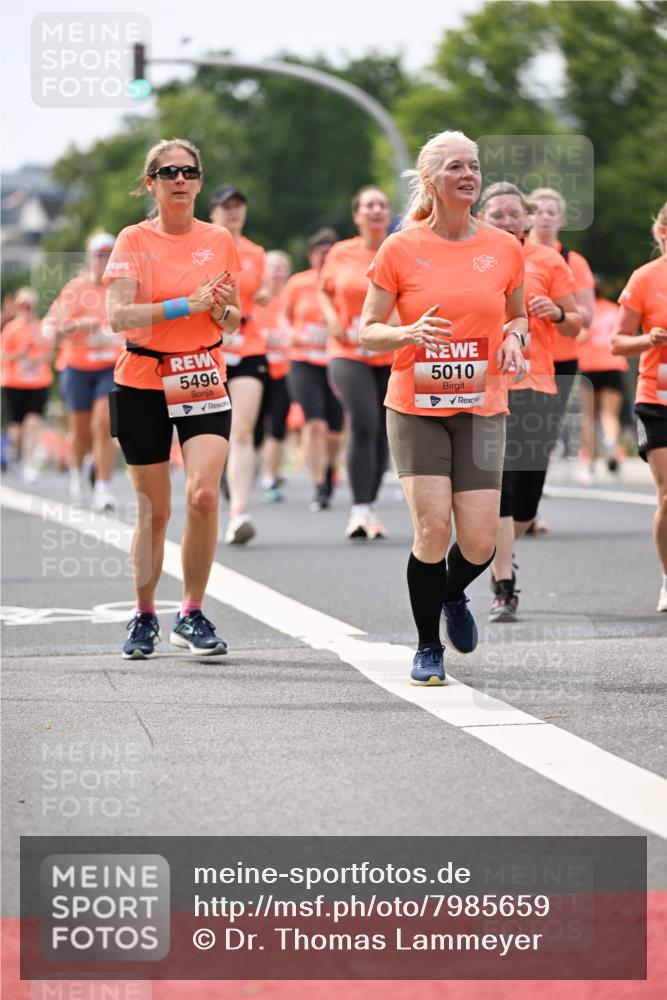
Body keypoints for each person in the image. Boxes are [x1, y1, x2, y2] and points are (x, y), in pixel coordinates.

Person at [359, 130, 528, 684]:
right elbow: (368, 332)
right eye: (456, 166)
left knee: (479, 540)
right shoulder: (400, 247)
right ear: (431, 179)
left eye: (474, 166)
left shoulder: (504, 247)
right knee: (432, 530)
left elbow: (518, 315)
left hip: (482, 404)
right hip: (415, 405)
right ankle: (427, 645)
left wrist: (513, 339)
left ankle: (452, 592)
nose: (469, 175)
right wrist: (407, 332)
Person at [104, 138, 241, 658]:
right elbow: (120, 317)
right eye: (168, 172)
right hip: (142, 379)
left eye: (189, 171)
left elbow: (233, 318)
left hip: (201, 373)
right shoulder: (133, 239)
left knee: (204, 495)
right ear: (151, 184)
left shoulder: (219, 239)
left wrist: (222, 311)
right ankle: (143, 616)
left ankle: (191, 611)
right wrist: (188, 304)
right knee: (153, 511)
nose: (180, 179)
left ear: (200, 181)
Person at [477, 183, 581, 621]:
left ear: (528, 218)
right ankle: (504, 584)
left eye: (513, 214)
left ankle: (500, 549)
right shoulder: (472, 257)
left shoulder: (548, 260)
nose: (505, 222)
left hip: (536, 383)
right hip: (485, 386)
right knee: (499, 488)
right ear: (483, 217)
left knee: (527, 501)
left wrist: (556, 314)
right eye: (496, 214)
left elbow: (575, 325)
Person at [321, 187, 395, 538]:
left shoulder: (401, 248)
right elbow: (323, 289)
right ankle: (358, 509)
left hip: (391, 351)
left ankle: (371, 505)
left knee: (383, 430)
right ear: (357, 215)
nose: (376, 210)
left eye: (382, 205)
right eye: (369, 205)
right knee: (364, 422)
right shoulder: (341, 252)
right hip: (347, 350)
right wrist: (331, 317)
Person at [611, 201, 667, 612]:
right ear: (662, 234)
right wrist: (647, 341)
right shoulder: (645, 280)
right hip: (657, 399)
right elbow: (617, 341)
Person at [44, 232, 122, 511]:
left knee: (104, 425)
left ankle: (103, 487)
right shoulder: (76, 288)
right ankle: (77, 471)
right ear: (91, 258)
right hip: (77, 366)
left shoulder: (120, 288)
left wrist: (118, 335)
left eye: (109, 254)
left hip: (110, 366)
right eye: (100, 255)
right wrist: (80, 326)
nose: (105, 260)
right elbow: (51, 328)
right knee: (80, 432)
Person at [210, 184, 268, 544]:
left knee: (242, 431)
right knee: (212, 436)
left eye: (239, 206)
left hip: (247, 346)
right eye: (226, 206)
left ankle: (239, 512)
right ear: (213, 211)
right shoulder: (200, 246)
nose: (234, 212)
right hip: (205, 349)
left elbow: (255, 295)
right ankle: (211, 497)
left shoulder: (256, 253)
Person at [528, 188, 595, 449]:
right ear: (527, 216)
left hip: (561, 357)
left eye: (551, 212)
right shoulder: (515, 254)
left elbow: (587, 316)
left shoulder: (574, 262)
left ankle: (532, 487)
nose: (544, 217)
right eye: (538, 211)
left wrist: (558, 309)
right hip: (523, 355)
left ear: (562, 220)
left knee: (546, 428)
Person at [284, 228, 344, 510]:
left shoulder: (343, 282)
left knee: (334, 431)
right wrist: (290, 334)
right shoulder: (298, 283)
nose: (325, 257)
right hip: (303, 361)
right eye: (320, 252)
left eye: (330, 252)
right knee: (314, 424)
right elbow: (282, 316)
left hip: (335, 361)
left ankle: (330, 467)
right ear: (311, 256)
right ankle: (319, 484)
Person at [577, 277, 628, 481]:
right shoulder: (613, 310)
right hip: (614, 364)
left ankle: (589, 463)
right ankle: (610, 441)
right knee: (610, 415)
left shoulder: (585, 313)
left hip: (589, 366)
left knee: (589, 416)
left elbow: (579, 337)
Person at [0, 287, 52, 482]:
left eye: (29, 305)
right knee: (17, 427)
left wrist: (36, 359)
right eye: (22, 305)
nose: (26, 309)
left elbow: (50, 353)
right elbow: (2, 354)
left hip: (38, 382)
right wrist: (19, 355)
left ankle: (28, 463)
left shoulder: (41, 328)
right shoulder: (11, 329)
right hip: (14, 383)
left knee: (33, 423)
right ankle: (12, 456)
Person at [253, 250, 293, 501]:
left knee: (279, 426)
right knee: (255, 428)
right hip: (257, 370)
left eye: (281, 267)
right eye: (272, 266)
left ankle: (271, 476)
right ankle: (248, 468)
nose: (277, 271)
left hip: (285, 371)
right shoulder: (257, 298)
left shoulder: (292, 298)